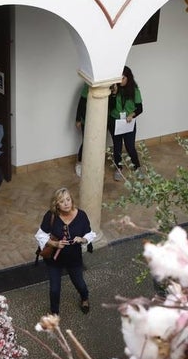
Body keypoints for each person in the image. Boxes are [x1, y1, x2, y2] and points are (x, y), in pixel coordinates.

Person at [35, 187, 97, 315]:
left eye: (68, 199)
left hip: (74, 259)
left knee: (80, 284)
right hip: (54, 259)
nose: (66, 203)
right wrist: (55, 243)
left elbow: (90, 234)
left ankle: (84, 298)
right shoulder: (51, 216)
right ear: (56, 204)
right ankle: (54, 313)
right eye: (62, 201)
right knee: (54, 290)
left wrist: (83, 239)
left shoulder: (81, 216)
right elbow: (40, 235)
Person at [108, 66, 143, 181]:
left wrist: (131, 115)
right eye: (119, 78)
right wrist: (113, 94)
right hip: (115, 121)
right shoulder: (114, 88)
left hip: (128, 122)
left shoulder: (134, 90)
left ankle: (137, 168)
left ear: (128, 78)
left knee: (130, 146)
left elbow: (140, 108)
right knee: (117, 146)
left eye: (122, 78)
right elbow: (109, 107)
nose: (120, 81)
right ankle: (118, 168)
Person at [74, 82, 89, 177]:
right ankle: (79, 163)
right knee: (86, 142)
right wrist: (78, 119)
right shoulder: (87, 86)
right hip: (86, 120)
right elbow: (82, 103)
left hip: (100, 120)